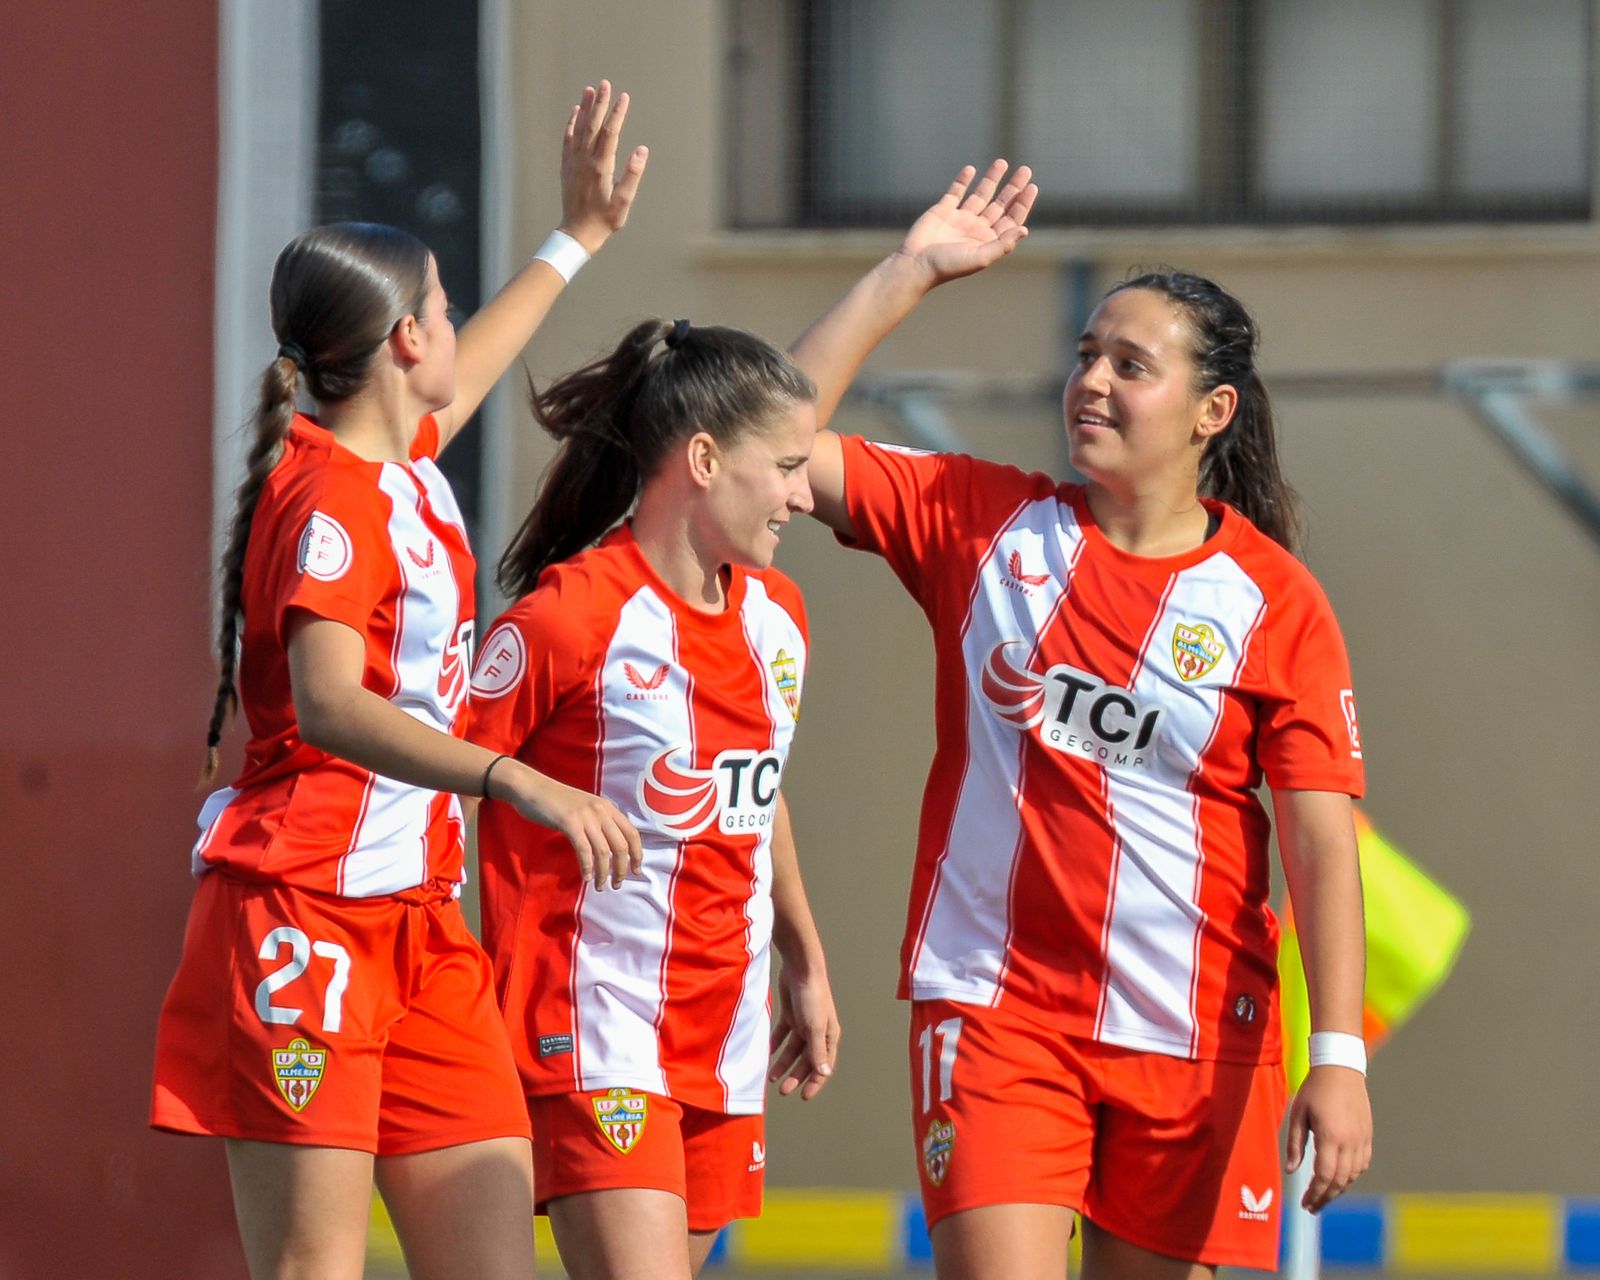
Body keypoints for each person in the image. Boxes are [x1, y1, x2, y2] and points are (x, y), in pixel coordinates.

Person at [787, 162, 1373, 1279]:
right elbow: (765, 436)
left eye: (1130, 365)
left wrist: (1335, 1055)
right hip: (995, 1015)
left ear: (1212, 412)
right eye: (1084, 357)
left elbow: (1320, 844)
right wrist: (905, 275)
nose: (1091, 382)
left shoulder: (1274, 601)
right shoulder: (980, 524)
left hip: (1200, 1037)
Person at [150, 82, 648, 1280]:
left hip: (421, 926)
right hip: (304, 910)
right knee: (312, 1267)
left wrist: (577, 235)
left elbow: (471, 373)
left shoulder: (402, 459)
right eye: (441, 303)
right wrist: (508, 777)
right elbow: (329, 700)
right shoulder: (327, 495)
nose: (455, 320)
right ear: (405, 341)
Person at [464, 317, 840, 1280]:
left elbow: (762, 798)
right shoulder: (570, 615)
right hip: (594, 1019)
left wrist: (804, 955)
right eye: (788, 464)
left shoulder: (778, 617)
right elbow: (446, 769)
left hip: (727, 1023)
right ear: (705, 459)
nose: (805, 494)